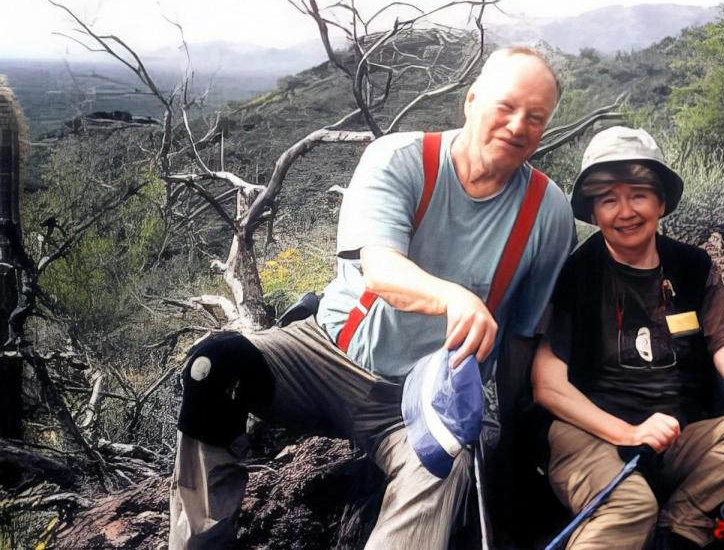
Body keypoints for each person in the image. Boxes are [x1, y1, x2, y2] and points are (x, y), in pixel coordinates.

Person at [168, 46, 577, 549]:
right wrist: (454, 297)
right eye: (506, 107)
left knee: (443, 461)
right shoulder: (402, 159)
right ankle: (203, 541)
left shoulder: (548, 214)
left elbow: (521, 338)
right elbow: (380, 269)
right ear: (471, 101)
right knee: (213, 365)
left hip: (426, 398)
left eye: (535, 117)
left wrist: (513, 441)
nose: (518, 125)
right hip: (326, 356)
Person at [531, 126, 724, 549]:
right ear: (594, 212)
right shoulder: (579, 274)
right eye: (608, 199)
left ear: (660, 202)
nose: (625, 211)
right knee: (630, 506)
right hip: (591, 435)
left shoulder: (691, 265)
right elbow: (547, 385)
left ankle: (681, 526)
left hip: (676, 438)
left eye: (638, 194)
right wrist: (626, 432)